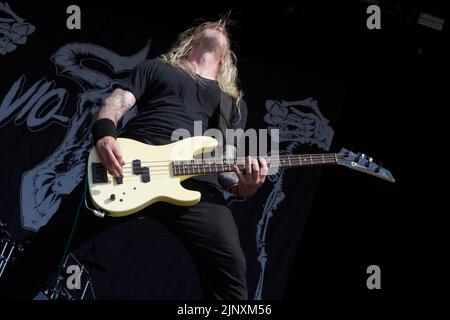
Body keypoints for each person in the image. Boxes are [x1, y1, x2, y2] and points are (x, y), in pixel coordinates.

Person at [0, 18, 268, 300]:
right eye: (213, 24)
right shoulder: (157, 68)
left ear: (226, 56)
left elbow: (227, 169)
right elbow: (115, 103)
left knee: (231, 274)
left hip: (197, 185)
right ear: (191, 40)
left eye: (225, 28)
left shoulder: (233, 105)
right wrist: (104, 136)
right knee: (51, 241)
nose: (221, 24)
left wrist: (244, 188)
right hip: (128, 166)